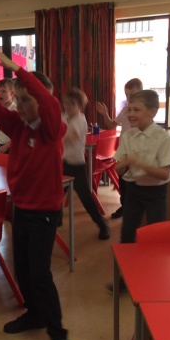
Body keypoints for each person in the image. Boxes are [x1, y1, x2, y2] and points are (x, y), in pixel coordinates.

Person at [0, 47, 74, 340]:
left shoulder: (51, 129)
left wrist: (17, 70)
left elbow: (49, 103)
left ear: (41, 101)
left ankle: (58, 335)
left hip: (44, 211)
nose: (19, 104)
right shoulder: (18, 126)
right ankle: (35, 314)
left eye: (26, 99)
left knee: (40, 273)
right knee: (23, 269)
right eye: (18, 99)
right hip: (22, 208)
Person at [114, 89, 170, 245]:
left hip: (156, 193)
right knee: (127, 234)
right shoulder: (128, 136)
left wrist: (138, 163)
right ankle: (127, 260)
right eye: (129, 110)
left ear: (152, 112)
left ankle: (154, 261)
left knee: (155, 236)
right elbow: (118, 169)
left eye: (136, 110)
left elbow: (164, 173)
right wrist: (124, 165)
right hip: (133, 190)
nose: (130, 114)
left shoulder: (163, 138)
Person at [62, 87, 109, 240]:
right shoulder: (63, 116)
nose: (68, 107)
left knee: (86, 198)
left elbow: (71, 137)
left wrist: (55, 132)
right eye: (66, 103)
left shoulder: (81, 120)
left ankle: (102, 225)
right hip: (62, 164)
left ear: (80, 106)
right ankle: (55, 220)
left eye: (72, 104)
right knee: (55, 195)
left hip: (76, 165)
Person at [96, 78, 143, 219]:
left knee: (134, 184)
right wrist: (105, 113)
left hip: (136, 154)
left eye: (132, 94)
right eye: (126, 94)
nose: (129, 98)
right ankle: (124, 207)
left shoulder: (143, 112)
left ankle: (135, 210)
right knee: (123, 182)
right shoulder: (125, 109)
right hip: (124, 152)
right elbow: (111, 125)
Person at [0, 78, 16, 153]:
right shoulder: (0, 110)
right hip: (1, 144)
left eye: (4, 91)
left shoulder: (14, 110)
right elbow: (1, 129)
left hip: (11, 146)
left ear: (12, 93)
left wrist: (6, 147)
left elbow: (18, 135)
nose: (0, 94)